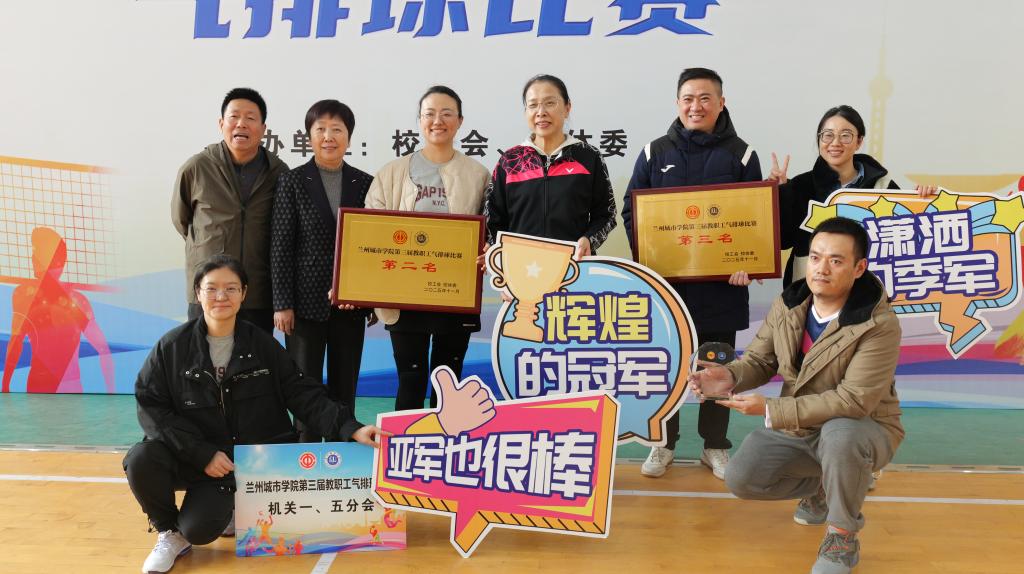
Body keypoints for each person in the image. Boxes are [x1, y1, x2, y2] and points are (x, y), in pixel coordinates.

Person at [123, 255, 384, 574]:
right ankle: (169, 533)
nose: (221, 296)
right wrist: (201, 453)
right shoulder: (172, 347)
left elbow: (302, 393)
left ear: (244, 293)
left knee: (200, 530)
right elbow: (151, 405)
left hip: (247, 464)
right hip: (197, 457)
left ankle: (234, 503)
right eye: (212, 288)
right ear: (198, 293)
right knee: (141, 459)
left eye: (231, 288)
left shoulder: (262, 345)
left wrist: (350, 427)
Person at [691, 217, 903, 574]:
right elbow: (760, 361)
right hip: (801, 427)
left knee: (840, 434)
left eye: (836, 260)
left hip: (865, 427)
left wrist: (772, 409)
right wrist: (729, 377)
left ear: (858, 268)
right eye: (816, 257)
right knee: (741, 478)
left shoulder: (879, 323)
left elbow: (853, 401)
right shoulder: (789, 304)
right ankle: (826, 486)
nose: (822, 269)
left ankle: (841, 538)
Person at [621, 67, 761, 480]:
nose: (695, 106)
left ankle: (714, 445)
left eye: (705, 98)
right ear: (677, 103)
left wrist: (746, 262)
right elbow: (632, 210)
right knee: (667, 369)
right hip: (668, 288)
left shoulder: (742, 155)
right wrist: (651, 256)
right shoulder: (654, 153)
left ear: (721, 102)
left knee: (717, 368)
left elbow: (753, 219)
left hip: (721, 290)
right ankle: (663, 444)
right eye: (688, 98)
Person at [365, 86, 490, 411]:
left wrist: (488, 250)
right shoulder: (391, 173)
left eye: (447, 113)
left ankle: (445, 442)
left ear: (460, 121)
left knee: (448, 382)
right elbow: (371, 232)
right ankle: (405, 443)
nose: (438, 121)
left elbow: (491, 229)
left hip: (456, 293)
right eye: (430, 114)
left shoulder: (478, 175)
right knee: (410, 378)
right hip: (404, 294)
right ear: (420, 120)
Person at [271, 99, 376, 441]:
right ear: (309, 136)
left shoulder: (365, 183)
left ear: (349, 137)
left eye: (337, 130)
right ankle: (305, 455)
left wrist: (371, 299)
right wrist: (282, 303)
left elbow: (375, 248)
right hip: (303, 306)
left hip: (351, 304)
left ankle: (342, 454)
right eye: (321, 129)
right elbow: (280, 246)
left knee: (345, 385)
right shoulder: (292, 181)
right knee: (305, 386)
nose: (328, 137)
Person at [769, 104, 937, 286]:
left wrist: (923, 201)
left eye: (845, 135)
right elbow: (782, 241)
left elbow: (911, 237)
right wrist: (781, 193)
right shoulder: (801, 186)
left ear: (859, 141)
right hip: (812, 290)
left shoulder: (882, 185)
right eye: (828, 135)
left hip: (867, 288)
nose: (835, 143)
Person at [172, 87, 288, 333]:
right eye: (234, 116)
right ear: (221, 123)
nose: (241, 124)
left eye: (250, 118)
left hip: (257, 293)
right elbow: (182, 220)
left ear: (263, 129)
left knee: (253, 356)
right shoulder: (197, 168)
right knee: (202, 355)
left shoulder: (278, 172)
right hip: (208, 292)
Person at [485, 74, 617, 257]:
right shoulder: (510, 161)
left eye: (550, 103)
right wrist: (495, 249)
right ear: (526, 112)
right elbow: (492, 219)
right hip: (520, 267)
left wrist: (589, 239)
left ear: (567, 108)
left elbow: (606, 214)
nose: (541, 112)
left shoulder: (589, 157)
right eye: (533, 105)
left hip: (575, 266)